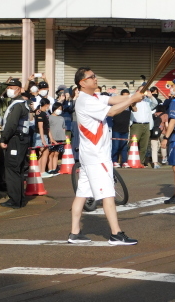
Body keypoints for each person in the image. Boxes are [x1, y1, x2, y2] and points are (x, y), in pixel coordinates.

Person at [68, 67, 142, 245]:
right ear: (82, 83)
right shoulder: (85, 101)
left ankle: (74, 232)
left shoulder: (94, 97)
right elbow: (112, 112)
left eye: (94, 76)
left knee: (82, 193)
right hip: (97, 155)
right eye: (91, 77)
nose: (95, 79)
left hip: (89, 155)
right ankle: (116, 234)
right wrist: (132, 99)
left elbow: (114, 99)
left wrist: (135, 94)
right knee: (108, 193)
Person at [0, 79, 31, 209]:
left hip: (16, 139)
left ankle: (14, 200)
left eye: (12, 87)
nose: (9, 90)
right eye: (8, 87)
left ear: (19, 89)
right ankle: (19, 198)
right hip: (21, 139)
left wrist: (3, 139)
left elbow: (11, 125)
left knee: (12, 169)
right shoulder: (19, 103)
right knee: (17, 169)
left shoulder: (18, 105)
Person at [130, 85, 158, 166]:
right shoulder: (134, 100)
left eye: (144, 90)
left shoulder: (147, 101)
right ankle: (131, 161)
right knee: (133, 144)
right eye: (141, 90)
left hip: (146, 125)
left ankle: (140, 162)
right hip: (136, 125)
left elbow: (155, 103)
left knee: (144, 146)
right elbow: (130, 103)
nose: (143, 92)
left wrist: (151, 96)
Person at [111, 89, 133, 168]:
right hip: (116, 128)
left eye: (127, 96)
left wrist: (131, 102)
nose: (125, 98)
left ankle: (124, 162)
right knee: (115, 146)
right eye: (124, 96)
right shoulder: (117, 104)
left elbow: (135, 109)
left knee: (124, 147)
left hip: (125, 129)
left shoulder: (130, 105)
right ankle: (114, 161)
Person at [47, 102, 66, 176]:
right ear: (54, 108)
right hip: (52, 138)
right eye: (58, 108)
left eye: (60, 109)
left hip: (60, 138)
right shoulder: (49, 117)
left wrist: (63, 136)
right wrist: (51, 138)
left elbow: (63, 128)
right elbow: (48, 129)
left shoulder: (61, 118)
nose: (59, 110)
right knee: (51, 154)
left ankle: (54, 169)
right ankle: (50, 169)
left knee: (56, 154)